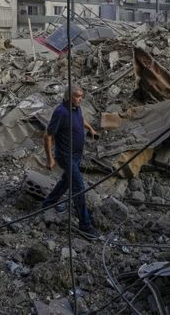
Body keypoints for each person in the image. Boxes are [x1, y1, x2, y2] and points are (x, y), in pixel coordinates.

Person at [42, 84, 101, 240]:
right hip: (65, 156)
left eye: (81, 96)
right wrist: (50, 159)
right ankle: (85, 226)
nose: (80, 99)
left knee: (67, 181)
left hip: (76, 154)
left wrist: (90, 129)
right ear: (68, 96)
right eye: (77, 96)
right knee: (79, 187)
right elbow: (47, 136)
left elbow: (80, 120)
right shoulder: (61, 112)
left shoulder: (76, 108)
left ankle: (48, 203)